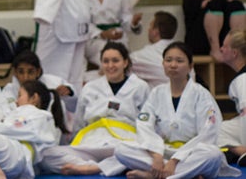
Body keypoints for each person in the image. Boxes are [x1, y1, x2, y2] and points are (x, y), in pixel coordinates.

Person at [113, 42, 238, 179]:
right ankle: (185, 174)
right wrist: (156, 154)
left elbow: (208, 133)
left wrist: (175, 160)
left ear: (190, 66)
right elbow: (144, 125)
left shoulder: (201, 95)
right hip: (163, 152)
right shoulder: (156, 93)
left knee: (213, 155)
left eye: (179, 61)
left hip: (191, 153)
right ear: (163, 64)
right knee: (121, 150)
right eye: (168, 60)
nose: (173, 65)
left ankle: (154, 175)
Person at [40, 42, 150, 176]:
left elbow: (147, 124)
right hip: (92, 141)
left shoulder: (140, 87)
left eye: (115, 61)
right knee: (46, 155)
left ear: (125, 62)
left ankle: (94, 168)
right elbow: (79, 122)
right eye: (106, 61)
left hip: (123, 143)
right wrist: (74, 144)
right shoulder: (90, 88)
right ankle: (105, 166)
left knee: (142, 153)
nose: (110, 66)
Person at [81, 0, 142, 69]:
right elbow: (82, 24)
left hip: (118, 38)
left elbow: (126, 18)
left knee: (125, 59)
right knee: (109, 56)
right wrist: (102, 33)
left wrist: (133, 22)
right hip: (94, 41)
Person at [182, 0, 246, 61]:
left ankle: (237, 48)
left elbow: (231, 4)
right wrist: (209, 5)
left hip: (223, 41)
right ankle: (215, 49)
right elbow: (193, 13)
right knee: (214, 8)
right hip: (199, 41)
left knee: (236, 5)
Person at [217, 30, 246, 165]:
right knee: (217, 127)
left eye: (224, 46)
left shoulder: (242, 79)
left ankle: (241, 151)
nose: (221, 49)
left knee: (213, 130)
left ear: (234, 53)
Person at [129, 11, 178, 88]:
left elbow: (123, 64)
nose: (148, 30)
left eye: (150, 26)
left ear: (156, 32)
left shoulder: (146, 54)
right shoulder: (182, 51)